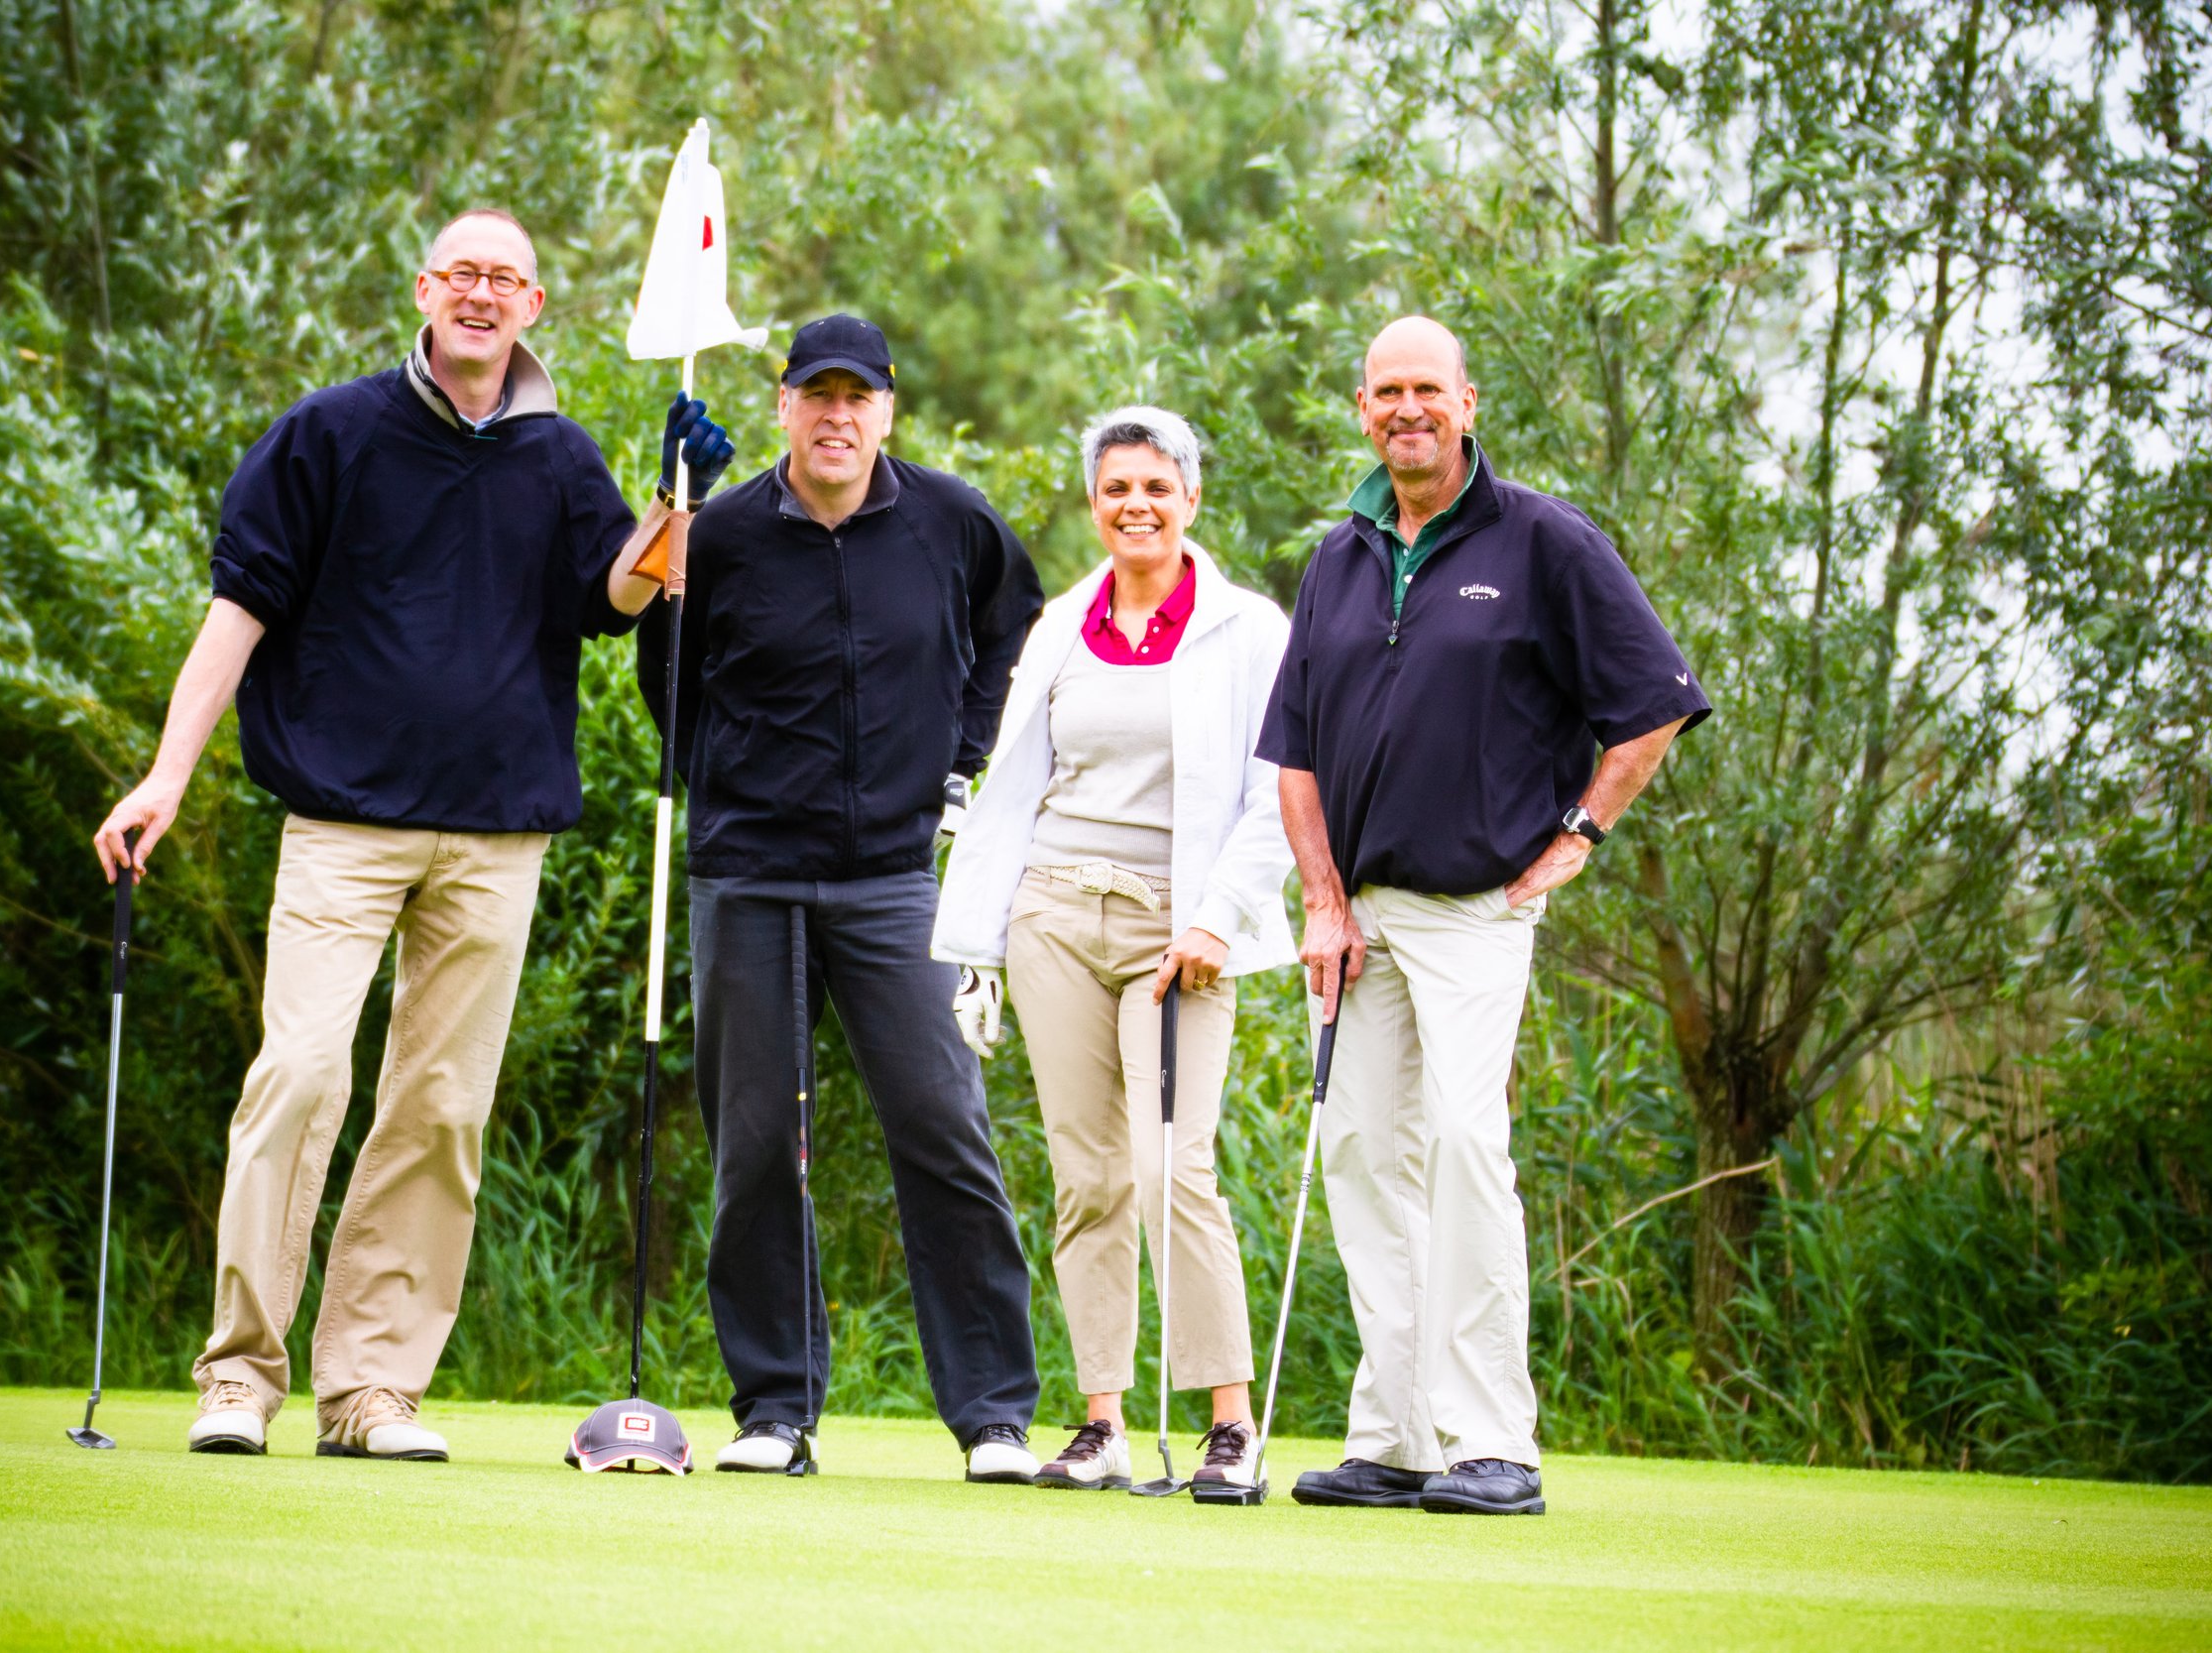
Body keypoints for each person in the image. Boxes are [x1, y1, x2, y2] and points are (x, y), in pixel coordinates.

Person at [90, 208, 735, 1462]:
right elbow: (239, 611)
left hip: (496, 836)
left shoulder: (559, 457)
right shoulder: (328, 433)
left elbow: (619, 594)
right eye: (465, 274)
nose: (484, 295)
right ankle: (237, 1374)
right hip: (340, 821)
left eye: (509, 279)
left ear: (536, 305)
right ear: (427, 289)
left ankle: (371, 1388)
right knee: (300, 1077)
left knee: (439, 1108)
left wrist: (679, 500)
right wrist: (165, 773)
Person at [1256, 316, 1711, 1515]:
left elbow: (1653, 702)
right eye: (1385, 391)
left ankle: (1492, 1438)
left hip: (1473, 908)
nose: (1406, 408)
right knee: (1360, 1153)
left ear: (1467, 401)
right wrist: (1319, 896)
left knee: (1463, 1146)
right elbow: (1295, 750)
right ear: (1362, 408)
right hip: (1358, 913)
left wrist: (1582, 833)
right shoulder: (1339, 557)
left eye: (1427, 390)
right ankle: (1398, 1436)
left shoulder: (1543, 538)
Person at [604, 314, 1047, 1481]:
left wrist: (965, 754)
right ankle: (776, 1407)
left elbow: (1017, 633)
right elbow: (664, 666)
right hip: (748, 870)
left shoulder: (952, 521)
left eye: (858, 396)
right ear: (784, 403)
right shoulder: (728, 528)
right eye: (815, 394)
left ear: (889, 409)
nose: (836, 415)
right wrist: (727, 775)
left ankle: (994, 1411)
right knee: (754, 1143)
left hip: (897, 877)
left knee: (944, 1130)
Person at [933, 406, 1294, 1492]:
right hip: (1053, 914)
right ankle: (1102, 1420)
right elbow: (1014, 783)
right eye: (1115, 489)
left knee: (1171, 1165)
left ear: (1190, 496)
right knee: (1087, 1176)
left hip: (1176, 930)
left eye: (1155, 487)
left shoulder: (1246, 628)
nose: (1135, 506)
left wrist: (1215, 919)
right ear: (1095, 502)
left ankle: (1228, 1421)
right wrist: (982, 934)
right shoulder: (1059, 625)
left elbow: (1275, 796)